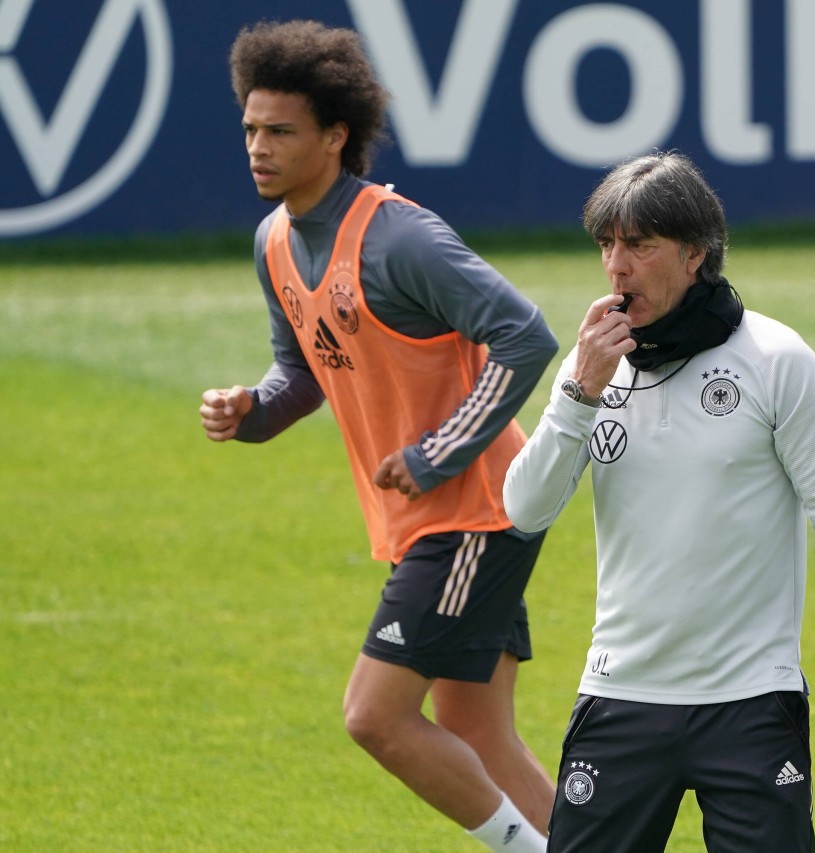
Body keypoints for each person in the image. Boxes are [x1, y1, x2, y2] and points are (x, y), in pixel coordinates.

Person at [198, 20, 558, 852]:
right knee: (477, 732)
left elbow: (526, 334)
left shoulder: (400, 238)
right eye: (251, 128)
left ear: (335, 135)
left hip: (475, 511)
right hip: (429, 519)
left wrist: (441, 451)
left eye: (280, 131)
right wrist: (251, 408)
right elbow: (303, 372)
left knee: (375, 715)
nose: (258, 146)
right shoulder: (276, 242)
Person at [502, 151, 815, 852]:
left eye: (640, 245)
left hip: (750, 701)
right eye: (607, 245)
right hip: (622, 692)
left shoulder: (777, 360)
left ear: (695, 254)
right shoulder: (592, 367)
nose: (617, 265)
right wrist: (579, 392)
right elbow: (524, 509)